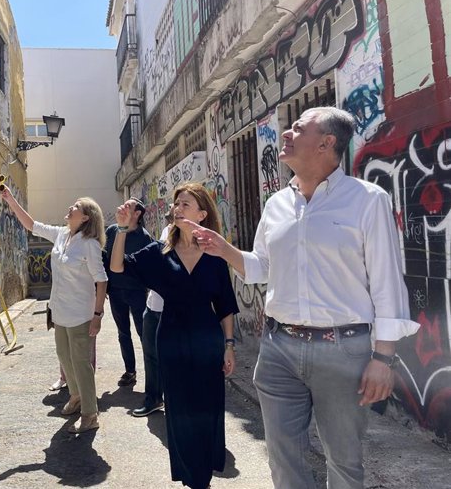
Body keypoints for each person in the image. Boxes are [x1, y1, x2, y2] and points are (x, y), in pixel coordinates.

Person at [187, 107, 420, 489]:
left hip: (343, 351)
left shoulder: (366, 200)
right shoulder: (277, 204)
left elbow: (387, 282)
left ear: (327, 143)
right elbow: (262, 266)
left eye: (298, 128)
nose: (286, 133)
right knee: (283, 457)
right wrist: (224, 249)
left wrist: (383, 357)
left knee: (343, 461)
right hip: (278, 348)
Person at [110, 183, 238, 489]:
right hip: (172, 339)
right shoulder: (159, 253)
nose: (177, 209)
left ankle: (204, 474)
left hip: (208, 340)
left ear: (202, 214)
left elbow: (225, 305)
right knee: (180, 411)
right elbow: (117, 267)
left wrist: (229, 346)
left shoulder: (214, 252)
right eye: (176, 204)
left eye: (185, 204)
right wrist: (121, 230)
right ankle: (193, 479)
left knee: (207, 409)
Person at [1, 189, 108, 433]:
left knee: (81, 363)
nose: (71, 208)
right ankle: (76, 395)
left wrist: (98, 315)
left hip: (81, 313)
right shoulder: (61, 235)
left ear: (85, 218)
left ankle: (90, 414)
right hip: (59, 311)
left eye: (76, 206)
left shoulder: (89, 245)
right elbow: (31, 224)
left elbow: (101, 281)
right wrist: (9, 199)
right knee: (63, 355)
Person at [103, 198, 153, 387]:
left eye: (129, 206)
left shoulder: (144, 237)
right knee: (123, 332)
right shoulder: (112, 231)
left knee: (143, 332)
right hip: (116, 291)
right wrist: (105, 286)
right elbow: (106, 259)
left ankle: (152, 371)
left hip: (137, 292)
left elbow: (148, 266)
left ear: (137, 213)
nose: (123, 206)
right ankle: (130, 371)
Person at [133, 205, 174, 417]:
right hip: (153, 307)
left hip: (174, 311)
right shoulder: (167, 231)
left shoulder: (197, 237)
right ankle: (154, 399)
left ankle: (177, 402)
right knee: (150, 355)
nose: (173, 207)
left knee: (174, 358)